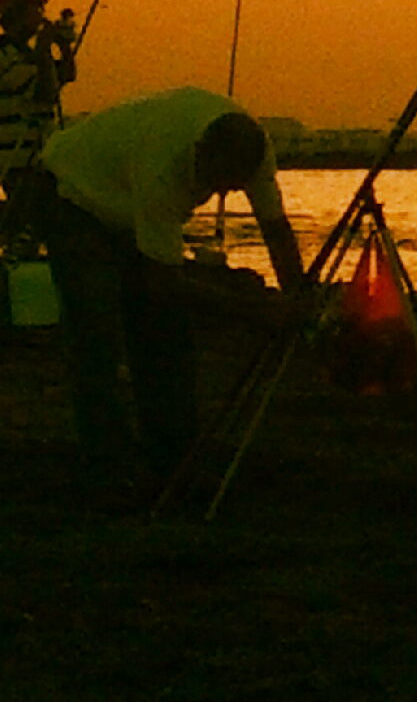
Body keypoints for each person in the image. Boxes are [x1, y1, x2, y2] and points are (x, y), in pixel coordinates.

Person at [35, 86, 306, 496]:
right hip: (74, 198)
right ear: (202, 154)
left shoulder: (254, 151)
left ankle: (173, 458)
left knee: (164, 339)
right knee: (97, 339)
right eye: (216, 182)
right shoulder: (163, 166)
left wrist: (297, 298)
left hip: (128, 204)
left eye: (232, 186)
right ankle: (109, 470)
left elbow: (276, 229)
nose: (220, 194)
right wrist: (253, 311)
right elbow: (162, 284)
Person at [0, 0, 77, 253]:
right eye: (35, 11)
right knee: (24, 229)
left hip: (43, 159)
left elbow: (66, 75)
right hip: (19, 161)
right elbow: (44, 92)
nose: (40, 17)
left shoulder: (28, 57)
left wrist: (63, 46)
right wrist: (45, 50)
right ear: (18, 17)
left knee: (46, 227)